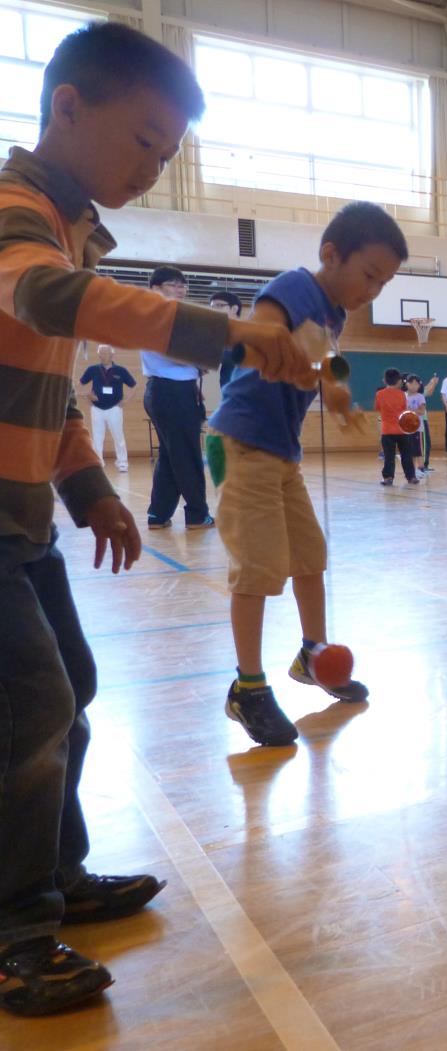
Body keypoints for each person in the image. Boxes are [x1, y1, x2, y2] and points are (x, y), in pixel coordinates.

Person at [0, 21, 304, 1018]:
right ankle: (13, 933)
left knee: (69, 688)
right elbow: (48, 304)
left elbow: (39, 386)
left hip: (23, 518)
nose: (153, 167)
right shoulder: (14, 213)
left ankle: (56, 876)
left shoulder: (70, 223)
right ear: (69, 106)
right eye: (143, 140)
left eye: (169, 153)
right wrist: (223, 330)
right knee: (30, 707)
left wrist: (87, 488)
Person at [209, 201, 405, 746]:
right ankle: (247, 687)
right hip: (240, 443)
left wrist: (336, 390)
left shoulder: (333, 313)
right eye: (369, 275)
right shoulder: (297, 287)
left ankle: (313, 654)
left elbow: (323, 357)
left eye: (384, 283)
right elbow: (263, 332)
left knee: (308, 558)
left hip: (281, 453)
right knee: (258, 568)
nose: (373, 291)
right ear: (330, 254)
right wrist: (284, 353)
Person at [141, 265, 215, 530]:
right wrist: (200, 359)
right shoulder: (154, 315)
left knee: (171, 456)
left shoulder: (173, 316)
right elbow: (168, 352)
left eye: (183, 285)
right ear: (155, 289)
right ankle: (197, 514)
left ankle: (158, 514)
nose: (180, 289)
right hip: (169, 392)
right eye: (173, 284)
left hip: (175, 391)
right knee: (187, 455)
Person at [79, 344, 136, 472]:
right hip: (97, 409)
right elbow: (80, 385)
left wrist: (125, 400)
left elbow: (133, 386)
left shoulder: (121, 371)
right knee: (97, 437)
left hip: (114, 408)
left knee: (118, 436)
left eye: (105, 353)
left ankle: (122, 463)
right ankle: (98, 462)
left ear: (112, 354)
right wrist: (88, 396)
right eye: (101, 353)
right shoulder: (92, 370)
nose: (103, 356)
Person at [376, 368, 416, 485]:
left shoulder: (379, 394)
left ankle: (388, 478)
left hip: (387, 431)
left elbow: (378, 408)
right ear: (398, 381)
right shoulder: (402, 394)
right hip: (402, 430)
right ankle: (411, 477)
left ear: (385, 381)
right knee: (406, 455)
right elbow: (405, 409)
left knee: (389, 456)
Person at [208, 290, 244, 388]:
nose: (214, 310)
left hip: (248, 390)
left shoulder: (247, 331)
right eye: (212, 307)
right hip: (228, 389)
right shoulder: (220, 333)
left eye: (219, 306)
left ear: (234, 309)